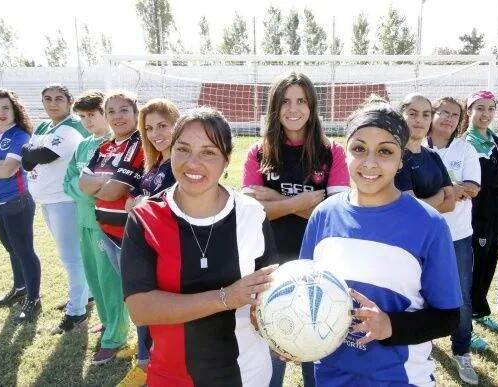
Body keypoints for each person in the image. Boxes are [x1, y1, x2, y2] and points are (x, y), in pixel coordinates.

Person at [300, 96, 461, 386]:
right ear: (345, 153)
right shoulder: (324, 215)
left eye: (385, 152)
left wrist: (390, 325)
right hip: (331, 378)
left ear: (401, 160)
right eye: (359, 149)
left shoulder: (428, 224)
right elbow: (306, 294)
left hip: (400, 380)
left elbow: (448, 317)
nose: (370, 163)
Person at [120, 107, 279, 386]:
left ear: (226, 160)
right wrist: (226, 298)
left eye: (208, 152)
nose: (192, 163)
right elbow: (141, 308)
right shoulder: (145, 218)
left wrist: (284, 329)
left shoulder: (252, 214)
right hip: (171, 376)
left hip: (247, 374)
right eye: (182, 149)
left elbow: (268, 297)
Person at [242, 71, 350, 387]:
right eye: (285, 101)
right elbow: (252, 212)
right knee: (271, 355)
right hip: (270, 266)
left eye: (301, 101)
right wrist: (301, 201)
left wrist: (276, 200)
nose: (293, 108)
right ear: (274, 107)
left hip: (319, 267)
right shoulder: (258, 152)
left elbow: (333, 215)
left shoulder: (333, 152)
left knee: (314, 354)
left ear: (312, 106)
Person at [62, 90, 130, 364]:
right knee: (94, 278)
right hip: (84, 222)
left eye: (92, 114)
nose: (87, 121)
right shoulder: (83, 145)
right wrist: (87, 190)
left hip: (105, 224)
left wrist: (88, 189)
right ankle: (106, 321)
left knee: (109, 280)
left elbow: (112, 189)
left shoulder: (114, 145)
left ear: (105, 113)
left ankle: (115, 336)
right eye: (82, 116)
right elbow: (69, 181)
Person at [118, 99, 180, 387]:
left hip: (164, 250)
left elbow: (167, 206)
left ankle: (148, 366)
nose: (156, 133)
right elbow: (138, 201)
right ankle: (145, 361)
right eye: (150, 128)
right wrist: (138, 202)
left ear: (177, 125)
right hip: (145, 247)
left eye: (163, 126)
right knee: (142, 304)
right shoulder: (156, 163)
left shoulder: (178, 165)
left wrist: (139, 202)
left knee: (158, 312)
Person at [21, 84, 90, 334]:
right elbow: (28, 159)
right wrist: (31, 153)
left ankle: (76, 312)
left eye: (59, 98)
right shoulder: (42, 126)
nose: (53, 103)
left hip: (64, 201)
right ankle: (86, 296)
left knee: (72, 257)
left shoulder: (72, 126)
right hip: (48, 200)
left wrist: (32, 153)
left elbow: (44, 155)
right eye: (47, 99)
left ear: (69, 101)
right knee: (71, 255)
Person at [427, 97, 482, 385]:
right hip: (422, 235)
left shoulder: (465, 148)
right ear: (433, 115)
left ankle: (461, 352)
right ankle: (424, 347)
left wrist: (439, 192)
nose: (449, 118)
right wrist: (452, 191)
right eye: (443, 113)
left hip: (458, 234)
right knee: (421, 292)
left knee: (460, 296)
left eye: (455, 114)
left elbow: (472, 188)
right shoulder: (417, 147)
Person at [0, 89, 42, 322]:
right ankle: (20, 288)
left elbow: (8, 170)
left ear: (15, 109)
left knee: (24, 251)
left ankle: (34, 300)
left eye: (6, 107)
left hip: (16, 202)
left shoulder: (20, 135)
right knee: (11, 249)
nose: (1, 113)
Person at [462, 91, 498, 334]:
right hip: (479, 215)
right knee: (476, 265)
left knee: (490, 263)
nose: (485, 114)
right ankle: (466, 322)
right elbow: (487, 179)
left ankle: (480, 310)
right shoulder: (467, 143)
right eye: (480, 108)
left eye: (490, 109)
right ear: (469, 112)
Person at [79, 90, 144, 276]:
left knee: (137, 293)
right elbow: (82, 184)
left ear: (136, 114)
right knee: (126, 289)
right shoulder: (104, 147)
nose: (118, 116)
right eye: (111, 111)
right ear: (106, 116)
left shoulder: (138, 143)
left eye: (124, 110)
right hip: (107, 231)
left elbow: (113, 192)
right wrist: (105, 180)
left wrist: (96, 186)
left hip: (130, 234)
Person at [395, 93, 455, 214]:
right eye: (413, 114)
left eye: (426, 115)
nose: (420, 120)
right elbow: (410, 210)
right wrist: (440, 195)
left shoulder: (433, 155)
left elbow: (451, 203)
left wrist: (425, 205)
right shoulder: (396, 157)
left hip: (434, 231)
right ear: (400, 117)